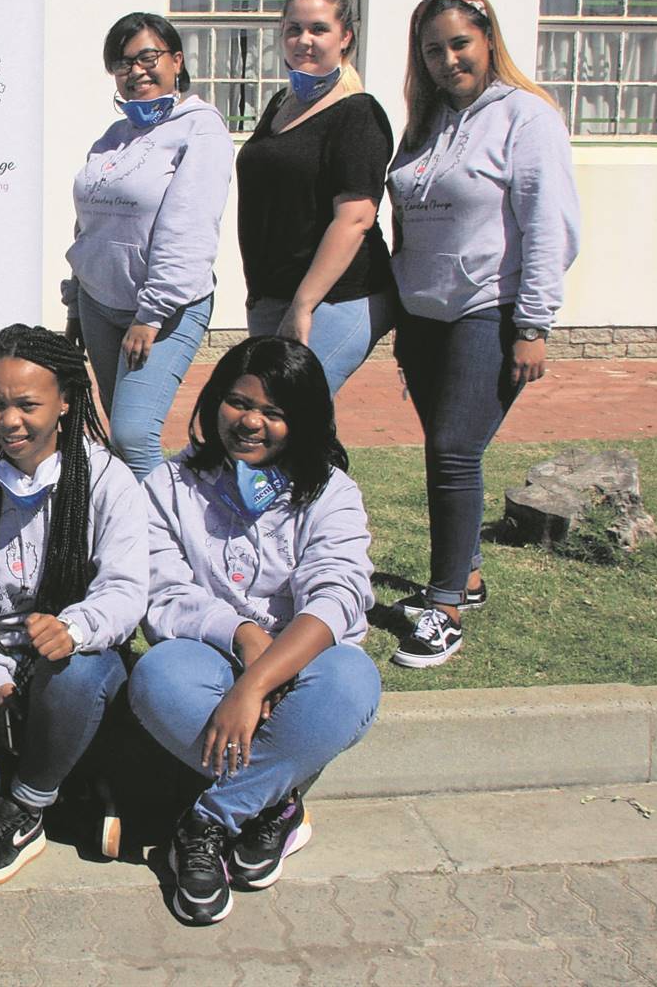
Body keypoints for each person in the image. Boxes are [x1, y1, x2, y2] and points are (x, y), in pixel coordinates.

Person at [129, 336, 381, 925]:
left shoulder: (332, 492)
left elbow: (338, 595)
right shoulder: (168, 486)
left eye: (274, 412)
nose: (250, 422)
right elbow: (163, 593)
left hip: (303, 666)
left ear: (304, 420)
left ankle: (206, 822)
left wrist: (256, 684)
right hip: (208, 658)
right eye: (239, 403)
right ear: (215, 400)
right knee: (157, 676)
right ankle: (276, 806)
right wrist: (243, 635)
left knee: (350, 681)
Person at [0, 325, 148, 889]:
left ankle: (24, 810)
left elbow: (126, 590)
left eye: (27, 405)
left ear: (65, 402)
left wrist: (74, 627)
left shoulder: (107, 481)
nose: (9, 420)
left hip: (77, 662)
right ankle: (68, 781)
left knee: (74, 674)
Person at [385, 0, 581, 668]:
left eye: (459, 44)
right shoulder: (425, 123)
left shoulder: (527, 116)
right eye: (432, 50)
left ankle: (443, 611)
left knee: (453, 451)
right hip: (423, 319)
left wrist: (533, 324)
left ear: (489, 40)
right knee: (444, 452)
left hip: (488, 312)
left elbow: (548, 226)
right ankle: (464, 574)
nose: (448, 60)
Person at [66, 12, 232, 479]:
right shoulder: (112, 138)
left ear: (176, 61)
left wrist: (151, 314)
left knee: (134, 435)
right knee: (118, 437)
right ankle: (126, 525)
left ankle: (169, 523)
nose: (136, 71)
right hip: (99, 304)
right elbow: (89, 226)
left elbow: (189, 226)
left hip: (165, 308)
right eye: (123, 63)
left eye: (147, 57)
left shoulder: (200, 129)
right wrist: (75, 303)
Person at [235, 0, 396, 397]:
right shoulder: (280, 104)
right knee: (280, 416)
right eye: (294, 29)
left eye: (319, 29)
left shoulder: (358, 114)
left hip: (336, 299)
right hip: (272, 296)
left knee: (291, 407)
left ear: (345, 37)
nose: (304, 40)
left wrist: (303, 305)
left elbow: (354, 220)